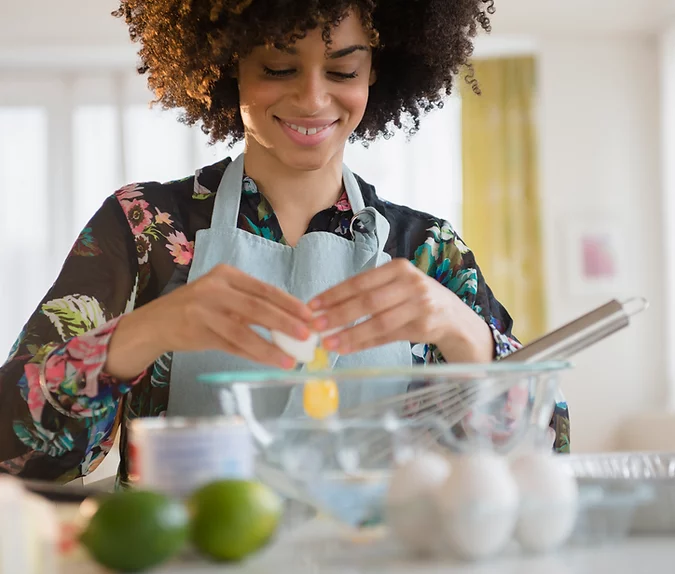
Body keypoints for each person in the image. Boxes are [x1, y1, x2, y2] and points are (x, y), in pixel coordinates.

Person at [0, 0, 570, 483]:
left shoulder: (427, 250)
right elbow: (14, 449)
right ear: (230, 67)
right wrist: (146, 332)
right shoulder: (146, 226)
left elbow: (543, 460)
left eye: (343, 72)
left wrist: (464, 332)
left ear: (377, 73)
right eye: (278, 67)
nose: (314, 99)